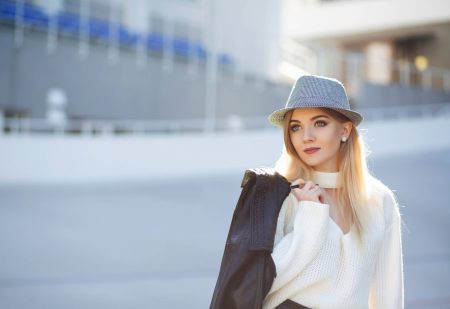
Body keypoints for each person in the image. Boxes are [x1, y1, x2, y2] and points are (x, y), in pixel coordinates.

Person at [261, 74, 404, 309]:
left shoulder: (380, 200)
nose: (306, 137)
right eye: (296, 127)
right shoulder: (281, 193)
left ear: (345, 130)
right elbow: (265, 281)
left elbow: (389, 296)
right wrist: (311, 216)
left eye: (319, 123)